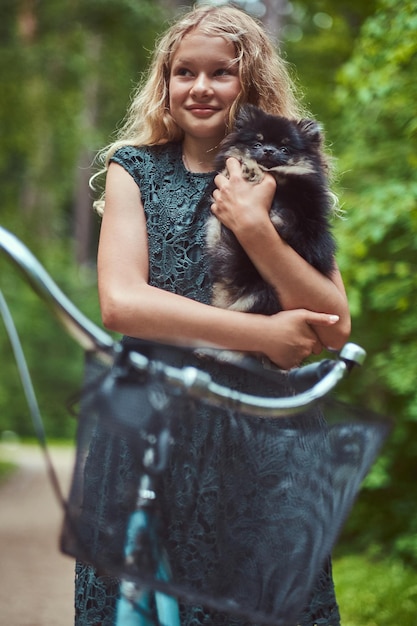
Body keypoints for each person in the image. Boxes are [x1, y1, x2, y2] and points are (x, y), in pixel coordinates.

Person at [75, 4, 351, 625]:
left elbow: (334, 324)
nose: (200, 88)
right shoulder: (133, 170)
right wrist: (264, 333)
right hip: (148, 431)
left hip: (259, 434)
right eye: (184, 72)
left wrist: (256, 229)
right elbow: (123, 303)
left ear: (248, 86)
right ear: (165, 83)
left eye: (221, 73)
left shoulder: (284, 174)